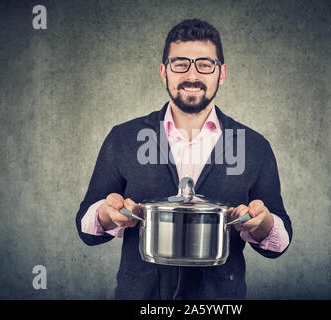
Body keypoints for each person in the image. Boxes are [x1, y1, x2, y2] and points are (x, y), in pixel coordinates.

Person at [76, 19, 292, 300]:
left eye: (205, 64)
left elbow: (280, 241)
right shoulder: (124, 138)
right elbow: (86, 228)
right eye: (180, 64)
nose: (192, 75)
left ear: (221, 73)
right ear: (164, 72)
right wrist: (106, 215)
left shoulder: (254, 146)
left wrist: (263, 224)